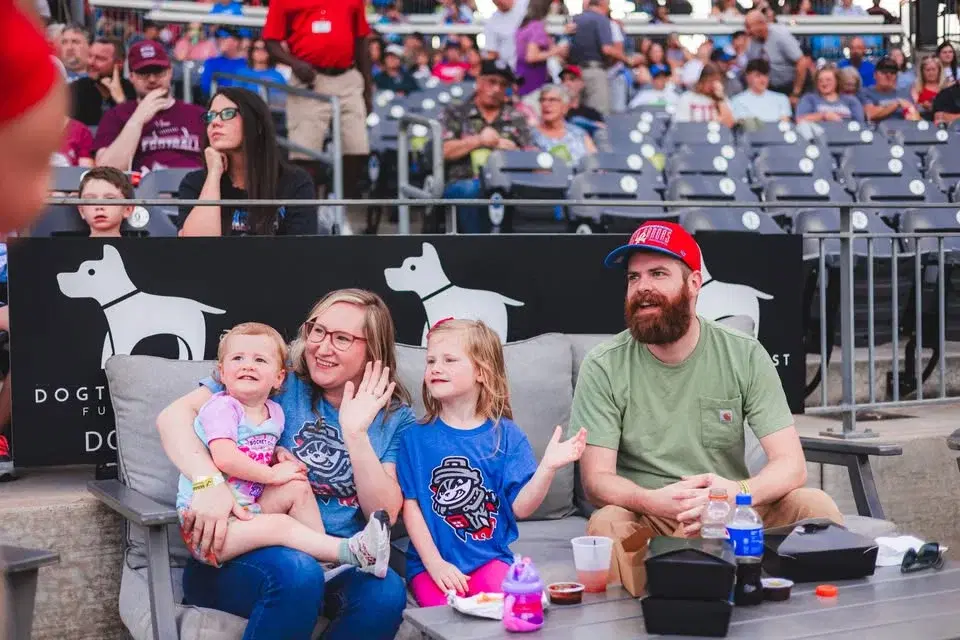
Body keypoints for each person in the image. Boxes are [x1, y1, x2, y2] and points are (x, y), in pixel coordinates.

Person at [570, 221, 843, 586]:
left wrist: (734, 494)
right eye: (634, 278)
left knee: (815, 507)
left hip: (734, 513)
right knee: (608, 525)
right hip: (651, 521)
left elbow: (791, 465)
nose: (642, 287)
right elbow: (596, 479)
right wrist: (653, 502)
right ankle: (654, 613)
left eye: (658, 273)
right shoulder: (604, 364)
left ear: (694, 284)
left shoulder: (742, 353)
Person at [157, 289, 414, 640]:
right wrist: (208, 482)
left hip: (334, 563)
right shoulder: (272, 377)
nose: (322, 347)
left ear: (372, 350)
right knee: (298, 571)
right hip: (240, 554)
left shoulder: (394, 418)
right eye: (317, 331)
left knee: (386, 593)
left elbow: (383, 513)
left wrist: (356, 434)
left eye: (341, 338)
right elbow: (172, 418)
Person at [174, 322, 392, 576]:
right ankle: (349, 552)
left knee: (298, 485)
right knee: (281, 525)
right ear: (221, 373)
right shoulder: (222, 407)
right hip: (208, 525)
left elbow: (253, 443)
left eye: (259, 360)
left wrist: (277, 453)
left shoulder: (274, 412)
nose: (248, 365)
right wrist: (271, 475)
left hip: (247, 510)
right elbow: (225, 457)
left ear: (279, 377)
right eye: (237, 358)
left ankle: (323, 565)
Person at [399, 319, 587, 606]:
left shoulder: (507, 435)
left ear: (482, 372)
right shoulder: (414, 438)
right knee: (446, 622)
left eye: (449, 360)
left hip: (489, 560)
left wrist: (548, 467)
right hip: (431, 567)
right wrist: (435, 564)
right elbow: (410, 507)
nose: (436, 367)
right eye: (431, 360)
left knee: (520, 607)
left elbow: (521, 507)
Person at [262, 0, 373, 226]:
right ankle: (307, 213)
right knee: (304, 154)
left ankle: (336, 205)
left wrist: (368, 90)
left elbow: (361, 40)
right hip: (309, 77)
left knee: (358, 148)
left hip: (347, 77)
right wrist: (294, 63)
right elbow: (271, 41)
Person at [177, 88, 318, 237]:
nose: (215, 122)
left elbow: (302, 252)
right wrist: (213, 175)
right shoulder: (196, 183)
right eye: (211, 116)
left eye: (227, 114)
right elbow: (195, 249)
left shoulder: (295, 182)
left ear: (256, 124)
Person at [439, 59, 532, 234]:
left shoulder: (516, 117)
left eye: (503, 84)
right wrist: (479, 141)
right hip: (463, 181)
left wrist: (516, 153)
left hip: (509, 184)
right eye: (491, 82)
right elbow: (443, 151)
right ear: (479, 81)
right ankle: (479, 248)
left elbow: (533, 156)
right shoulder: (456, 111)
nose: (496, 89)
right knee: (471, 190)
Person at [92, 40, 205, 172]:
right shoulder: (116, 116)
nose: (152, 79)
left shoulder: (197, 114)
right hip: (141, 190)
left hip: (193, 189)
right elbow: (106, 171)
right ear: (132, 76)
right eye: (144, 73)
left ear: (170, 72)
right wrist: (138, 119)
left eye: (158, 72)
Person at [744, 9, 807, 104]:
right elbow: (753, 69)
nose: (747, 31)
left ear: (761, 24)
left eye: (749, 27)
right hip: (772, 87)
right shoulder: (752, 41)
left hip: (794, 84)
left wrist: (796, 93)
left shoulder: (780, 35)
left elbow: (801, 62)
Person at [70, 37, 136, 126]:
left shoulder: (133, 91)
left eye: (100, 58)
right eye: (90, 56)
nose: (91, 63)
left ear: (119, 63)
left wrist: (121, 101)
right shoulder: (74, 90)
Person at [515, 0, 565, 106]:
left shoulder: (524, 25)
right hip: (533, 79)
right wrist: (555, 51)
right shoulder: (537, 27)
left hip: (521, 74)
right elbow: (531, 56)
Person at [532, 84, 597, 165]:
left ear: (565, 107)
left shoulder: (579, 134)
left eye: (552, 100)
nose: (545, 104)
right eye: (542, 100)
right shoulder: (531, 135)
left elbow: (595, 165)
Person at [77, 167, 134, 236]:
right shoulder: (69, 247)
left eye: (110, 199)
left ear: (127, 209)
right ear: (81, 211)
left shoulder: (139, 247)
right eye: (90, 199)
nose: (99, 206)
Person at [796, 65, 865, 123]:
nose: (824, 83)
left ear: (837, 81)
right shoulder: (809, 99)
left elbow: (860, 124)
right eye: (820, 80)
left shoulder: (851, 100)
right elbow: (800, 120)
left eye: (828, 80)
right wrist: (823, 116)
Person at [674, 63, 735, 127]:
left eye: (717, 81)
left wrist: (720, 99)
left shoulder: (722, 99)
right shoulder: (687, 98)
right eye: (710, 81)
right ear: (701, 81)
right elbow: (681, 125)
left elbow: (729, 124)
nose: (713, 85)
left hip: (715, 135)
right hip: (693, 134)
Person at [730, 58, 791, 123]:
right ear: (747, 77)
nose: (763, 80)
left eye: (765, 75)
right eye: (758, 76)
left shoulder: (781, 98)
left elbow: (785, 123)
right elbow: (742, 125)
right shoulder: (737, 100)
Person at [234, 37, 288, 109]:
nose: (260, 52)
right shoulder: (242, 73)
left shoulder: (278, 76)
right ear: (252, 52)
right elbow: (236, 98)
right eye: (257, 48)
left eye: (264, 49)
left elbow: (284, 101)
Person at [862, 57, 919, 122]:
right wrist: (897, 104)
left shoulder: (904, 93)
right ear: (875, 75)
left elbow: (915, 117)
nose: (889, 75)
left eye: (893, 73)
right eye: (884, 72)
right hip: (877, 130)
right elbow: (871, 115)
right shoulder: (866, 92)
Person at [199, 28, 248, 100]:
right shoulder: (211, 62)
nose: (219, 41)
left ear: (236, 42)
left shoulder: (247, 63)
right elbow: (206, 87)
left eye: (224, 38)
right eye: (218, 38)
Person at [912, 55, 945, 121]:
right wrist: (922, 106)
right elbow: (912, 107)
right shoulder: (916, 87)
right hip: (921, 121)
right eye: (927, 70)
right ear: (922, 72)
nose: (931, 73)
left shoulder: (945, 86)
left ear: (939, 70)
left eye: (933, 69)